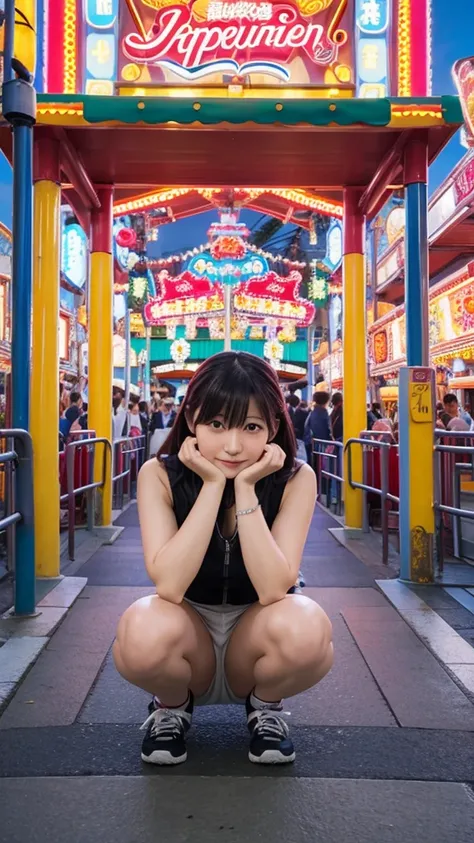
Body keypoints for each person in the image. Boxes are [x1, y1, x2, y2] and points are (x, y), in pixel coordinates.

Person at [113, 352, 333, 767]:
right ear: (192, 418)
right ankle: (172, 708)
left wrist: (246, 488)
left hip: (256, 634)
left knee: (308, 627)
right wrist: (213, 484)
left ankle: (265, 708)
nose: (233, 446)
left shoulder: (296, 479)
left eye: (251, 427)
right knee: (140, 629)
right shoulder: (159, 475)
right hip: (187, 632)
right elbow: (170, 585)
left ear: (272, 428)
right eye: (217, 424)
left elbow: (273, 589)